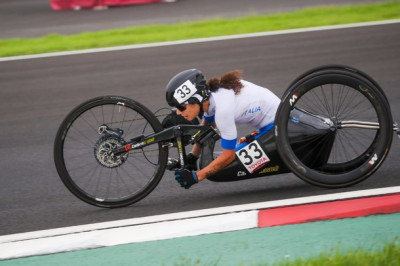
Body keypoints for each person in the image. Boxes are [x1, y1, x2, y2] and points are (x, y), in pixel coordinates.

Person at [165, 69, 281, 189]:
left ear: (196, 100)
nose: (178, 112)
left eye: (181, 106)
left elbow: (228, 156)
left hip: (277, 127)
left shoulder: (222, 111)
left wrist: (197, 177)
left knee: (221, 170)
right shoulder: (211, 98)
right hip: (270, 123)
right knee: (216, 163)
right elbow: (206, 128)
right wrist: (193, 156)